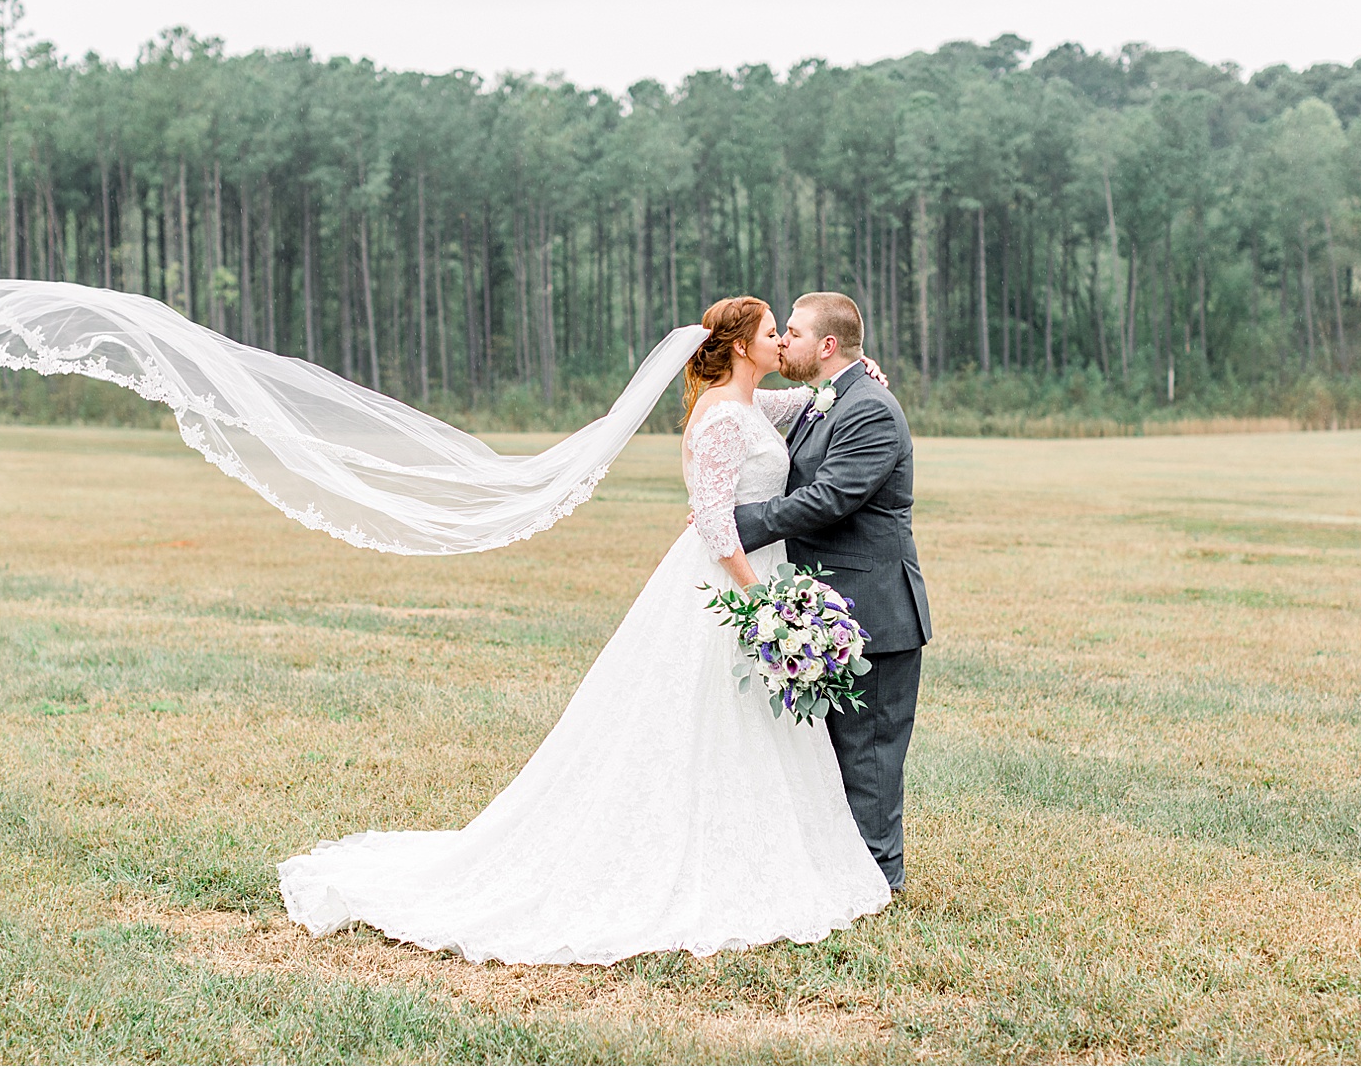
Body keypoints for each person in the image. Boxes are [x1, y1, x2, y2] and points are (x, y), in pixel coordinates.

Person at [277, 296, 894, 964]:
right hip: (734, 589)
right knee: (697, 726)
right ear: (743, 346)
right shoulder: (719, 416)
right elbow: (716, 525)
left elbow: (807, 408)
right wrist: (767, 610)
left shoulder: (751, 406)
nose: (782, 343)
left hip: (757, 580)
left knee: (747, 730)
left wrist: (859, 376)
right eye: (774, 333)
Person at [734, 292, 931, 893]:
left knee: (868, 756)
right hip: (832, 606)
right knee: (835, 754)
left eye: (792, 332)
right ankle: (842, 875)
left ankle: (879, 882)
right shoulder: (824, 399)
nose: (784, 339)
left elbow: (832, 497)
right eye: (779, 331)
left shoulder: (869, 409)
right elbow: (734, 402)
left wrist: (739, 522)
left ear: (826, 346)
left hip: (876, 607)